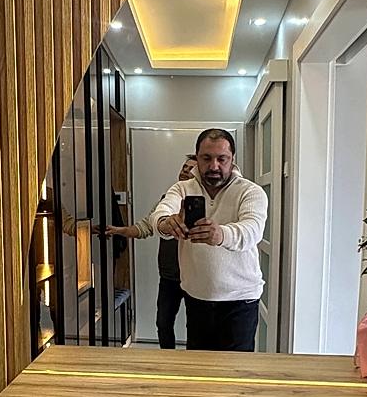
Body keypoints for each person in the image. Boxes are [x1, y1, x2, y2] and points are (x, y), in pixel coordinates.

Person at [149, 128, 268, 352]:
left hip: (241, 300)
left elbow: (253, 231)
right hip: (197, 298)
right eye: (206, 158)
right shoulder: (182, 189)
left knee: (236, 369)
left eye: (222, 159)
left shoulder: (251, 191)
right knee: (199, 367)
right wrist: (167, 223)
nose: (214, 166)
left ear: (232, 159)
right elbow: (160, 213)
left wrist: (220, 235)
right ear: (197, 158)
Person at [107, 156, 196, 349]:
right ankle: (167, 361)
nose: (185, 171)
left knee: (196, 328)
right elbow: (147, 226)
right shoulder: (166, 201)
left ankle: (192, 363)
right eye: (184, 167)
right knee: (163, 324)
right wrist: (121, 230)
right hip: (169, 276)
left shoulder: (206, 204)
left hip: (196, 277)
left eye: (191, 169)